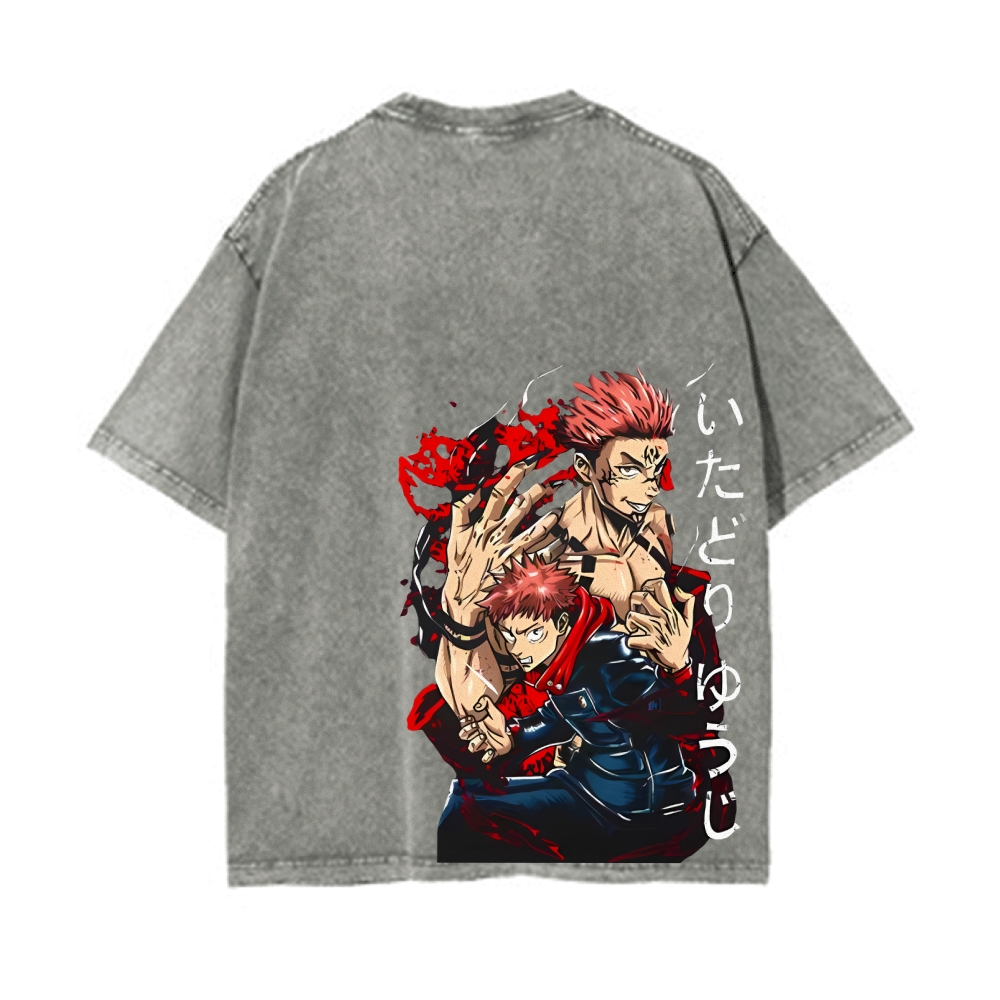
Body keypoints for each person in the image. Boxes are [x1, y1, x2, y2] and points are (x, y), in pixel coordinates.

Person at [437, 558, 703, 862]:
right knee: (465, 798)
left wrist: (678, 671)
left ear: (561, 624)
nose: (518, 649)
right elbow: (555, 720)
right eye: (510, 636)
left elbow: (674, 720)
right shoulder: (564, 666)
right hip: (586, 790)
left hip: (637, 812)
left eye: (533, 634)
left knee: (467, 808)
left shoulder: (612, 657)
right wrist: (511, 736)